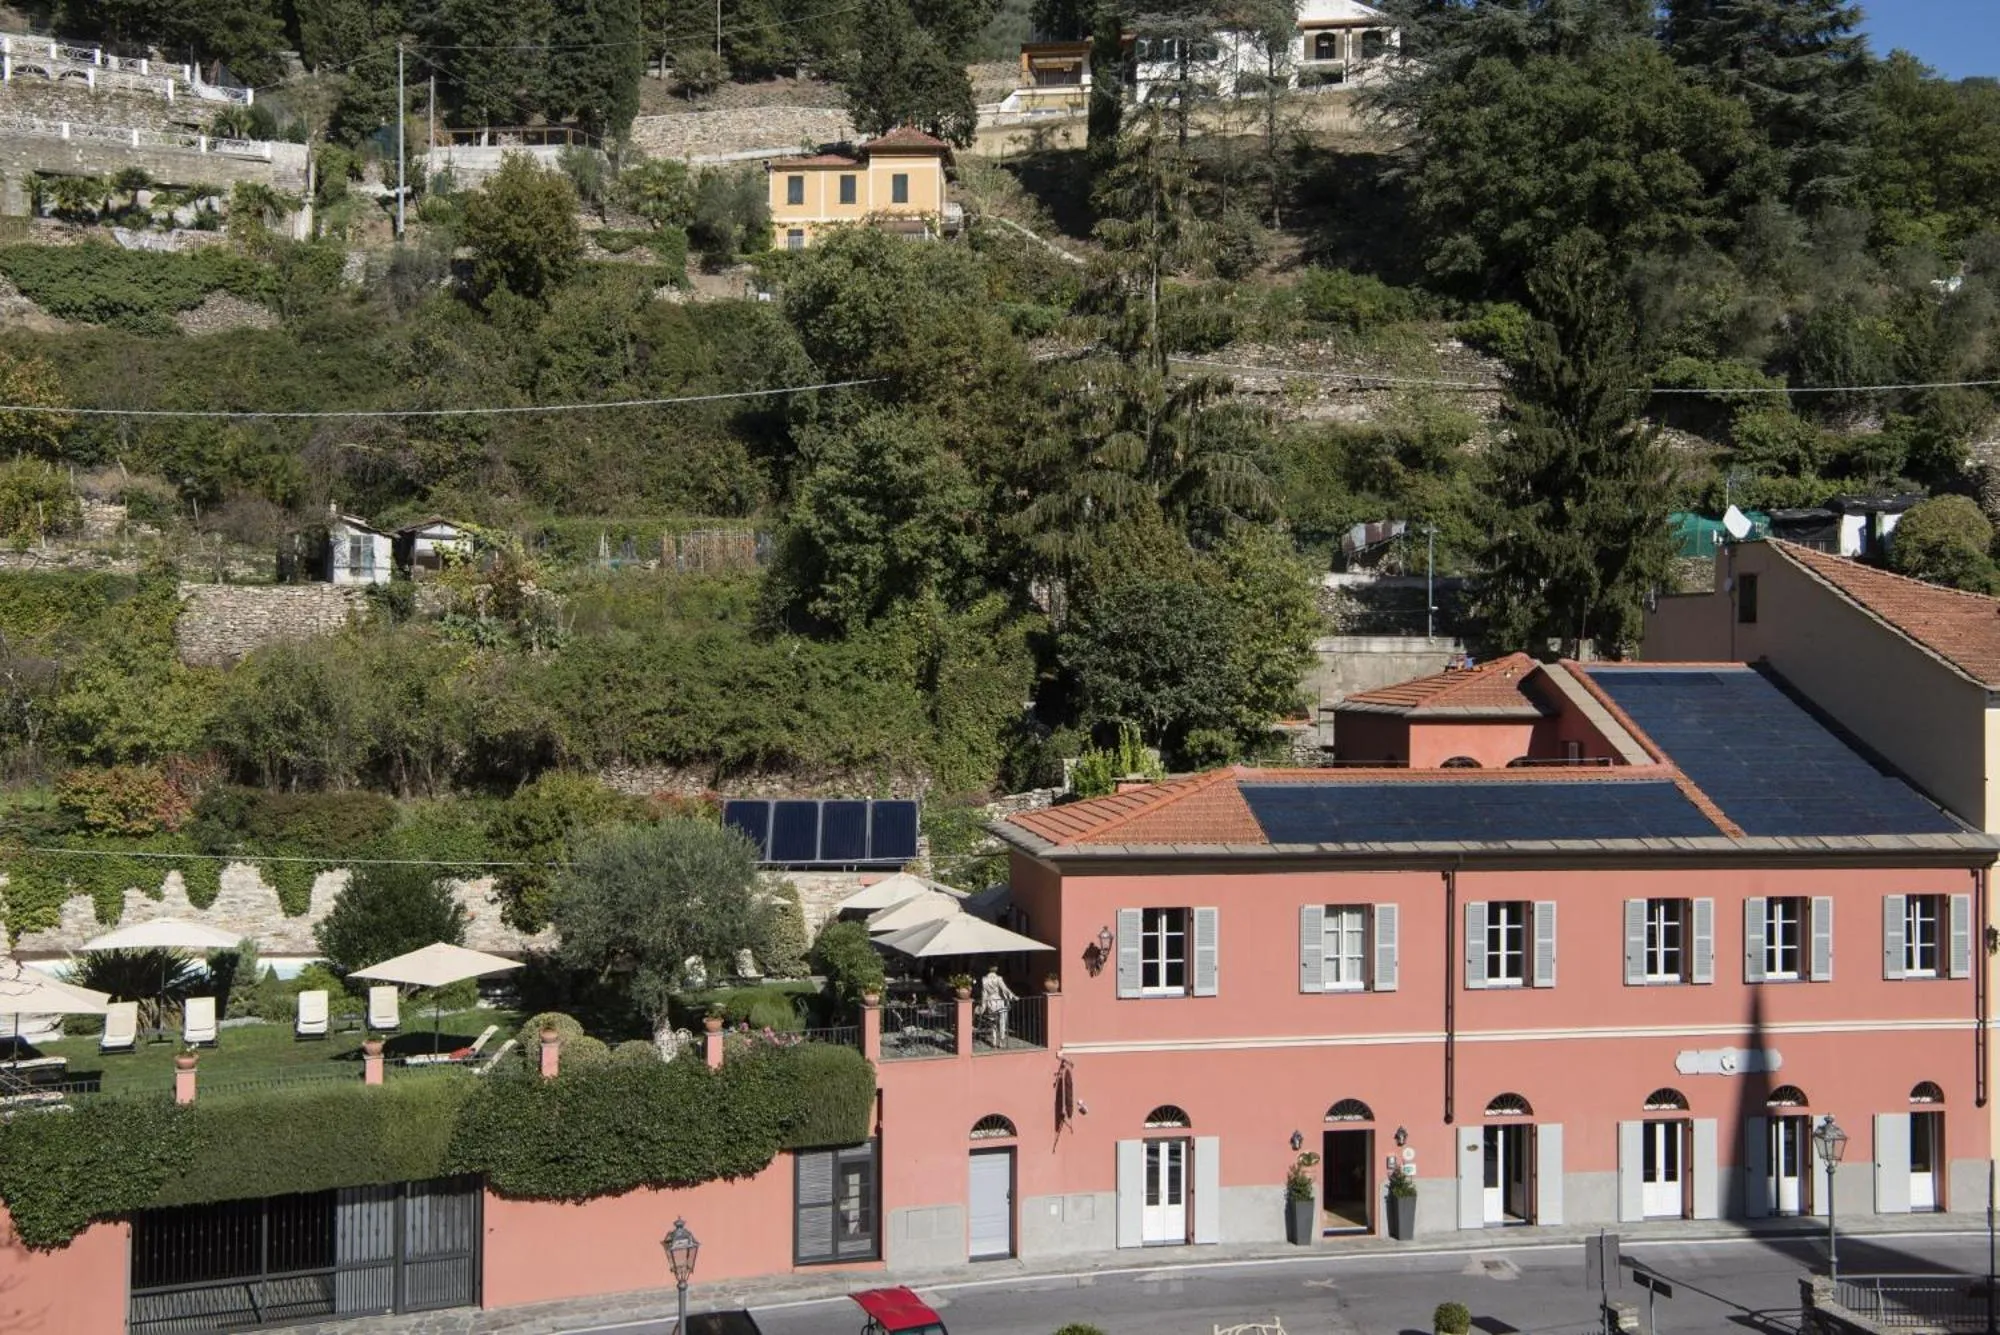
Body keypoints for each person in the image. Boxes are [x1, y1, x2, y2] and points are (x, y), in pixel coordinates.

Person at [979, 964, 1016, 1048]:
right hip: (1000, 1002)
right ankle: (1001, 1041)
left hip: (990, 1002)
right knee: (1002, 1022)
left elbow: (984, 994)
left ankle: (994, 1041)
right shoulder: (998, 978)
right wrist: (1013, 996)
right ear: (996, 968)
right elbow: (1005, 989)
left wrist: (983, 1006)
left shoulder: (984, 979)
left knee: (993, 1022)